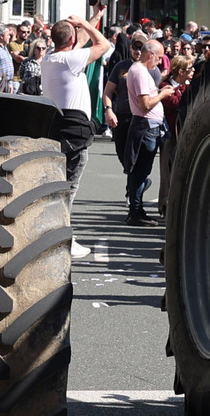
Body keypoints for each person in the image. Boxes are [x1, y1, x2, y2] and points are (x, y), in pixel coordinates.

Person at [37, 15, 112, 261]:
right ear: (70, 39)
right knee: (69, 188)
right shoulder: (70, 60)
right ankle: (62, 237)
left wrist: (95, 16)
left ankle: (60, 234)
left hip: (58, 125)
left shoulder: (51, 58)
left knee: (61, 185)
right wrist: (89, 26)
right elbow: (104, 46)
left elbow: (77, 43)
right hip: (74, 130)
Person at [114, 32, 167, 226]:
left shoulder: (139, 71)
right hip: (145, 126)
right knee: (140, 172)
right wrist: (163, 95)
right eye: (159, 57)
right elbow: (145, 104)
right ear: (150, 54)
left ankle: (137, 210)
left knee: (140, 171)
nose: (160, 62)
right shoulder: (140, 72)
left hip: (147, 126)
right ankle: (135, 211)